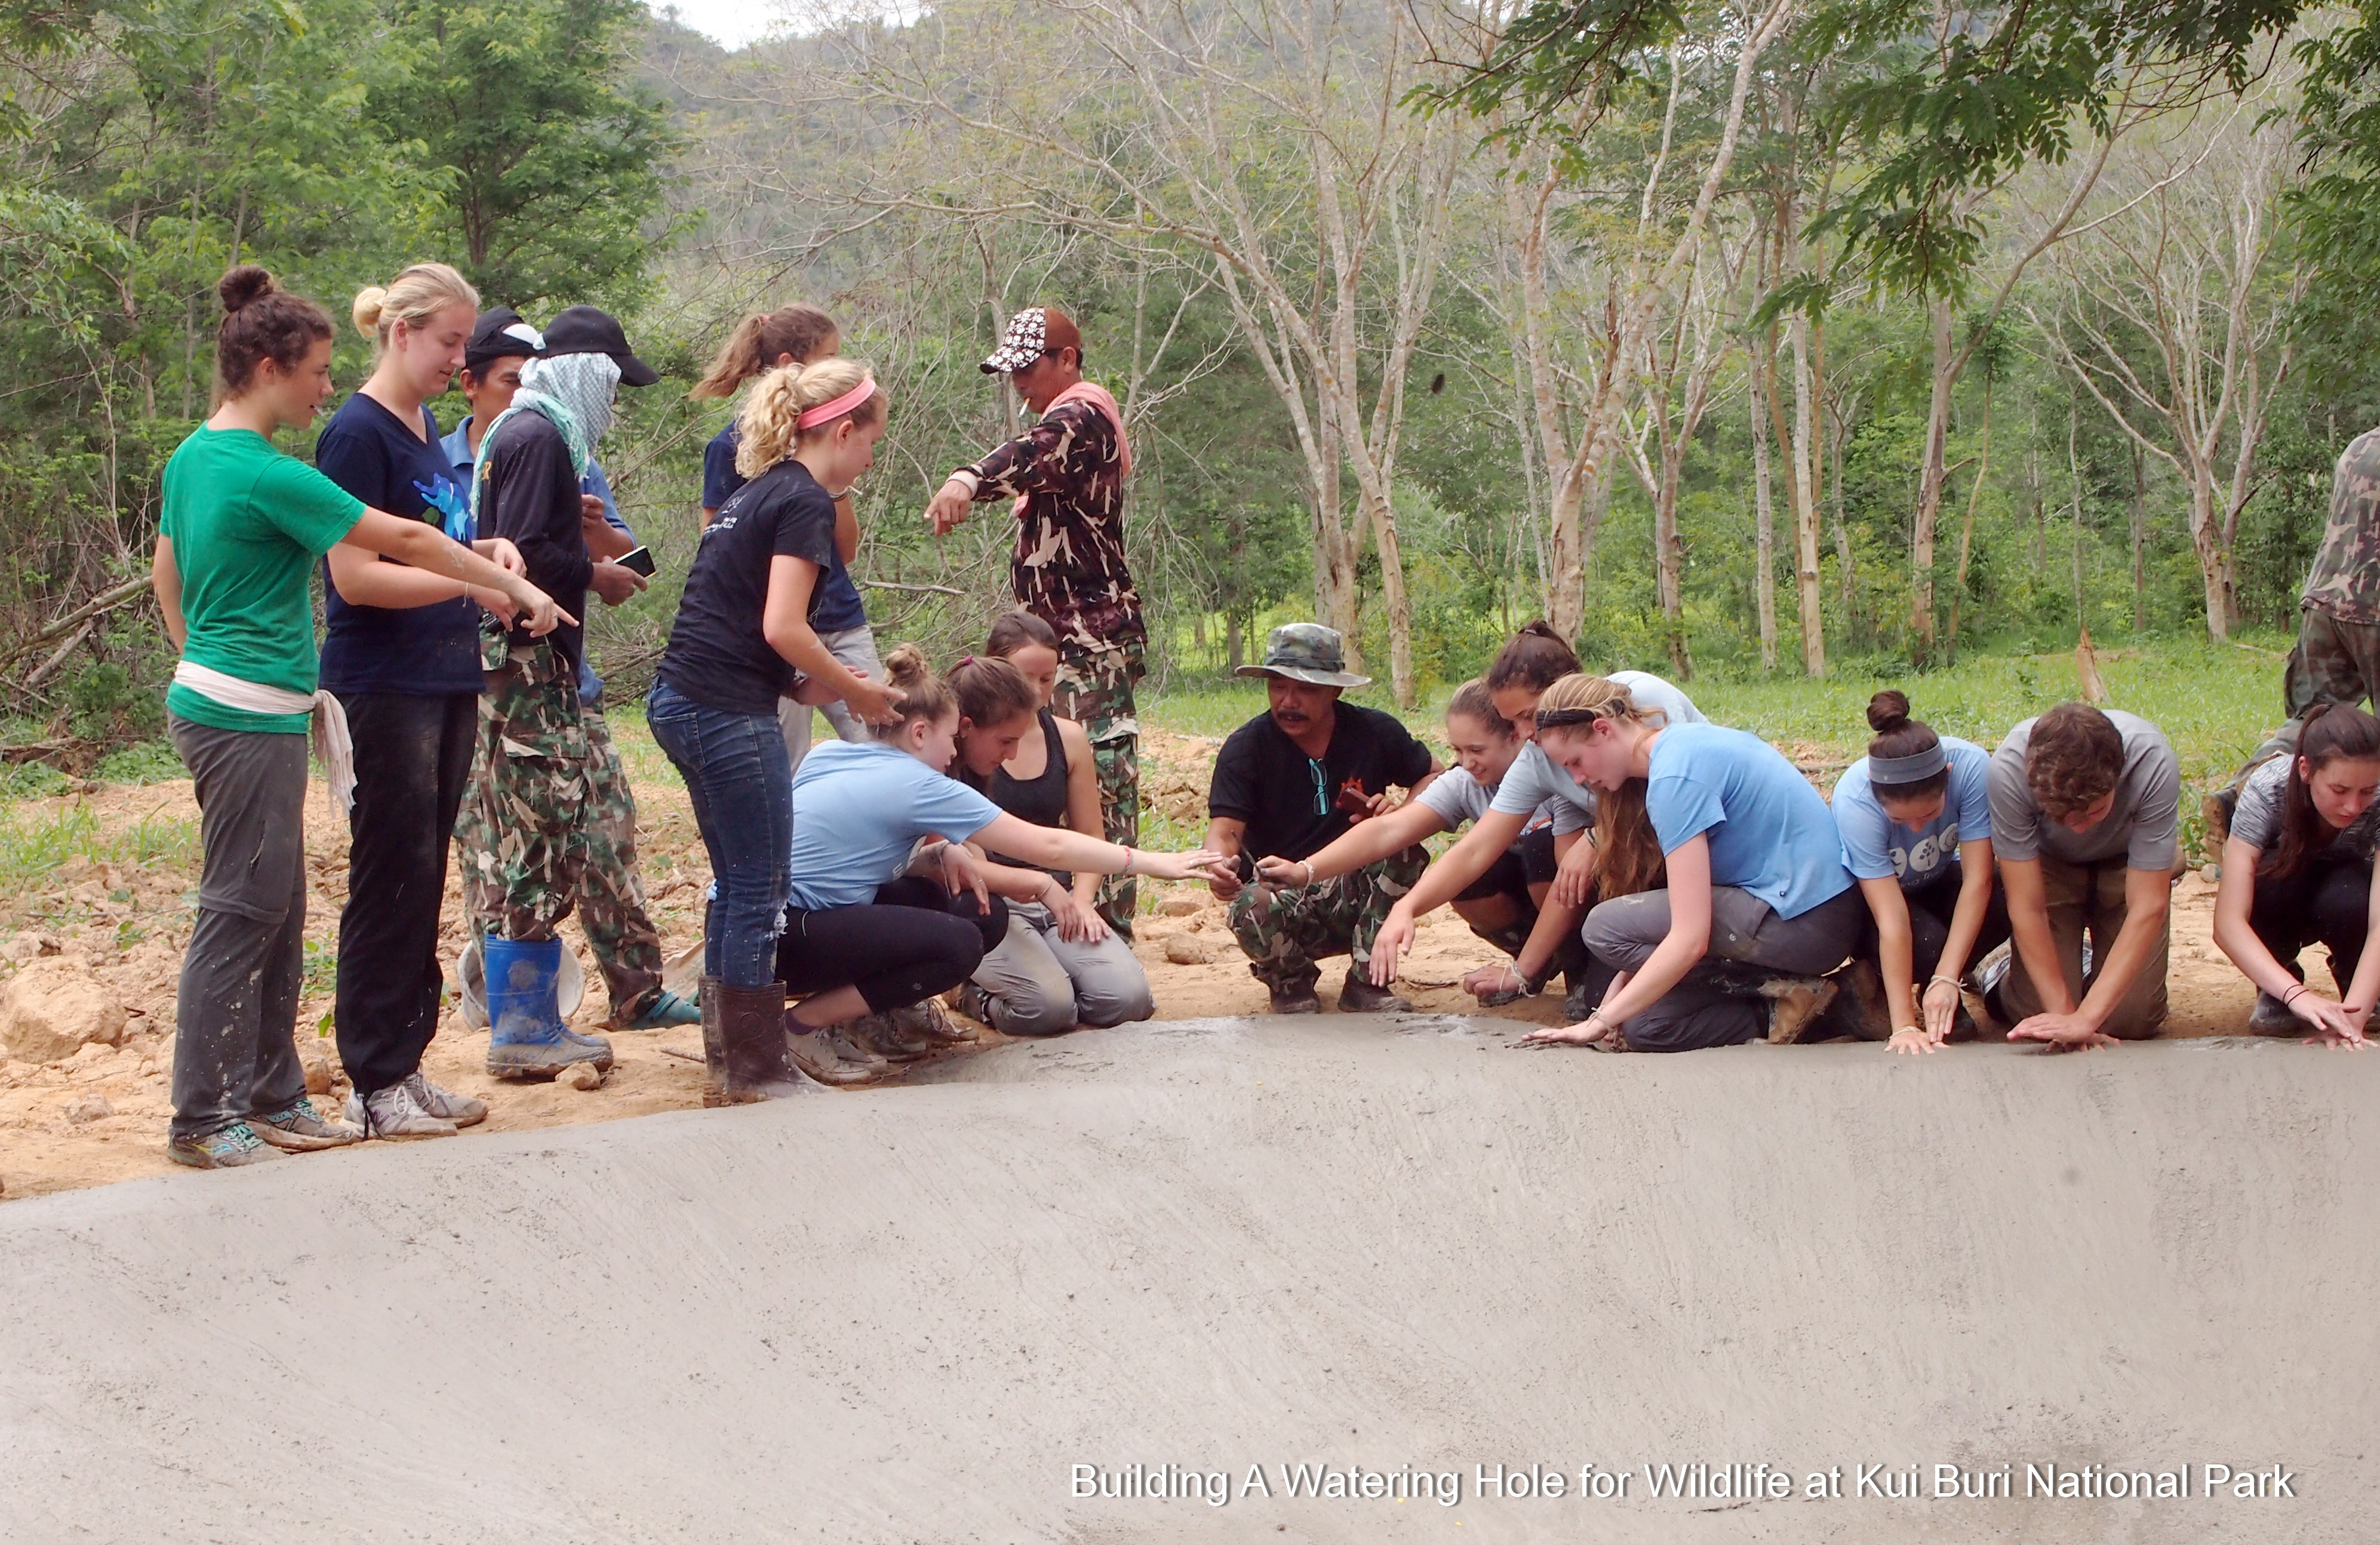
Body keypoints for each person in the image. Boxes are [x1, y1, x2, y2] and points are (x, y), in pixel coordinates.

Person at [149, 264, 562, 1167]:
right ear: (267, 366)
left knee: (278, 904)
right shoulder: (266, 472)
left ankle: (275, 1094)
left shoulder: (194, 457)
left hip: (238, 699)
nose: (324, 386)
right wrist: (504, 582)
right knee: (240, 908)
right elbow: (401, 542)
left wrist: (198, 659)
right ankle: (201, 1116)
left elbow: (166, 575)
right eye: (314, 370)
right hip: (248, 707)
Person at [776, 648, 1226, 1084]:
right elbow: (1047, 846)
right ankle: (798, 1027)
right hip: (792, 937)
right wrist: (1150, 863)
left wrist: (936, 855)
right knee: (958, 945)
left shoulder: (828, 755)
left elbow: (843, 857)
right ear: (918, 735)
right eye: (951, 739)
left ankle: (856, 1020)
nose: (953, 753)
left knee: (967, 909)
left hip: (766, 928)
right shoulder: (918, 783)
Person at [648, 358, 909, 1100]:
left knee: (738, 885)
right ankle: (758, 1069)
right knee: (762, 886)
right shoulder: (804, 502)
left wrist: (836, 688)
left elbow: (760, 637)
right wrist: (856, 688)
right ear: (841, 429)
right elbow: (783, 624)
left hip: (684, 699)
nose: (870, 457)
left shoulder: (758, 490)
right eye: (871, 441)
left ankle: (737, 1063)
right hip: (723, 710)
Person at [457, 303, 688, 1080]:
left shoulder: (535, 443)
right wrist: (586, 568)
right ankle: (520, 1023)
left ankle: (549, 1012)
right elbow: (519, 562)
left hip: (543, 673)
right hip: (531, 672)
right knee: (533, 837)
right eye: (613, 384)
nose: (615, 403)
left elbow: (629, 561)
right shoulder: (538, 439)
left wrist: (590, 534)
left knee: (559, 830)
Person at [315, 263, 516, 1139]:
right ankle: (372, 1076)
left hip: (444, 677)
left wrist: (489, 552)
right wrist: (470, 587)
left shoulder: (424, 425)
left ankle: (406, 1058)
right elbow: (355, 578)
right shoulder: (355, 434)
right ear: (401, 334)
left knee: (426, 870)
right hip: (382, 684)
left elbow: (437, 541)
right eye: (447, 344)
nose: (457, 361)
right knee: (389, 874)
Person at [925, 306, 1145, 937]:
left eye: (1028, 366)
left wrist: (968, 476)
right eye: (1011, 370)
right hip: (1048, 643)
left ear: (1067, 359)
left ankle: (1110, 931)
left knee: (1098, 782)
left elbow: (1032, 453)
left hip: (1088, 645)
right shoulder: (1059, 424)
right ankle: (1017, 916)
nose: (1018, 382)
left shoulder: (1084, 413)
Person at [1515, 675, 1865, 1052]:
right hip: (1790, 912)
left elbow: (1690, 936)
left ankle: (1779, 987)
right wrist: (1615, 1008)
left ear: (1603, 729)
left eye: (1576, 762)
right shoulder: (1675, 750)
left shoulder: (1675, 777)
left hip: (1808, 920)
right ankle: (1835, 1006)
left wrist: (1596, 1022)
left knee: (1604, 928)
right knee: (1647, 1026)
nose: (1578, 778)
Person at [1371, 622, 1703, 1018]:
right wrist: (1407, 907)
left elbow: (1684, 794)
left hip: (1711, 864)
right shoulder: (1538, 756)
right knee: (1602, 997)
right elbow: (1478, 847)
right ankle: (1585, 970)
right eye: (1512, 723)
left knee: (1637, 1006)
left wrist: (1597, 839)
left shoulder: (1642, 700)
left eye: (1530, 716)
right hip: (1644, 871)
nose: (1525, 733)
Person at [1263, 679, 1578, 1008]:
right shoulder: (1465, 782)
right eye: (1457, 750)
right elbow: (1390, 830)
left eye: (1476, 750)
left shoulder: (1560, 771)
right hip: (1535, 897)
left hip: (1584, 894)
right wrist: (1306, 870)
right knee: (1470, 879)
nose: (1466, 762)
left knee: (1543, 850)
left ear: (1516, 734)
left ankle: (1577, 963)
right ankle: (1538, 961)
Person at [1204, 624, 1443, 1015]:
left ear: (1336, 690)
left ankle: (1369, 982)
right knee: (1252, 905)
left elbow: (1435, 775)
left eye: (1306, 689)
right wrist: (1218, 865)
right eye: (1278, 686)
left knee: (1406, 850)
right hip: (1285, 898)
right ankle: (1289, 981)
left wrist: (1403, 816)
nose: (1289, 701)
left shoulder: (1375, 731)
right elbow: (1223, 834)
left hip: (1357, 889)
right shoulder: (1246, 748)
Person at [691, 303, 880, 768]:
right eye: (829, 357)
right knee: (784, 762)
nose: (838, 367)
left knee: (882, 744)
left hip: (838, 614)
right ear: (788, 367)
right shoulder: (732, 448)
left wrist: (832, 482)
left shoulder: (831, 454)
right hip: (780, 632)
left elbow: (846, 549)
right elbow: (717, 550)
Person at [947, 632, 1155, 1037]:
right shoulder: (963, 747)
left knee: (1129, 1000)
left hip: (1056, 896)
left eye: (1048, 678)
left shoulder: (1068, 737)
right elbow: (972, 860)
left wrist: (1081, 902)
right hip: (995, 903)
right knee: (1049, 1009)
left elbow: (1090, 837)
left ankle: (1054, 970)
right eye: (1028, 678)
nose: (1039, 690)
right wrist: (1036, 887)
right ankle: (969, 991)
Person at [1982, 701, 2180, 1049]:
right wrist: (2065, 1016)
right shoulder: (2008, 769)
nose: (2077, 828)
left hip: (2128, 863)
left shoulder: (2152, 760)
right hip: (2048, 865)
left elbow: (2148, 906)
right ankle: (1995, 970)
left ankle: (2088, 966)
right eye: (2060, 814)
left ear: (2118, 775)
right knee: (2037, 1013)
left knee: (2131, 1019)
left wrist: (2086, 1020)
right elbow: (2027, 906)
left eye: (2093, 811)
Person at [1831, 691, 2007, 1055]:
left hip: (1936, 879)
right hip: (1875, 906)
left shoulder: (1972, 769)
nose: (1914, 829)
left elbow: (1979, 879)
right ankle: (1882, 990)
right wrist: (1904, 1026)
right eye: (1899, 819)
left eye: (1928, 816)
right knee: (1928, 942)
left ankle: (1941, 987)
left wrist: (1946, 977)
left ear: (1948, 776)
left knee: (2007, 897)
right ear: (1874, 788)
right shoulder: (1855, 802)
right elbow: (1891, 918)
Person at [2210, 703, 2380, 1046]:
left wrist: (2354, 1019)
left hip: (2345, 894)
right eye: (2340, 790)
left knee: (2350, 896)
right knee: (2267, 886)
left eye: (2367, 791)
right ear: (2306, 769)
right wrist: (2295, 995)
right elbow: (2228, 922)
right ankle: (2276, 986)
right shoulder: (2267, 790)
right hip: (2282, 892)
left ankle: (2359, 990)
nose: (2353, 806)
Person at [2284, 423, 2380, 721]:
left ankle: (2265, 768)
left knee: (2311, 730)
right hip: (2374, 609)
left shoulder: (2359, 446)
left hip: (2326, 602)